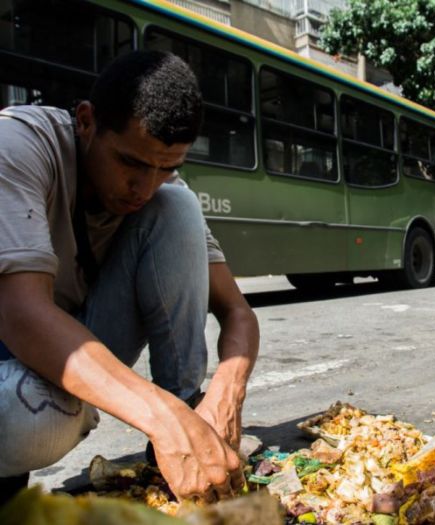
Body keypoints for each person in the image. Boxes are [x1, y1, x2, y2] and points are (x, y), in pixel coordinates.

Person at [0, 50, 259, 504]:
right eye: (131, 164)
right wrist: (164, 417)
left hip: (72, 344)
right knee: (39, 422)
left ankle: (184, 432)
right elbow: (20, 312)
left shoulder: (163, 190)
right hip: (10, 344)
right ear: (85, 121)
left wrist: (224, 393)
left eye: (167, 168)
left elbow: (237, 311)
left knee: (180, 209)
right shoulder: (18, 143)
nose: (145, 188)